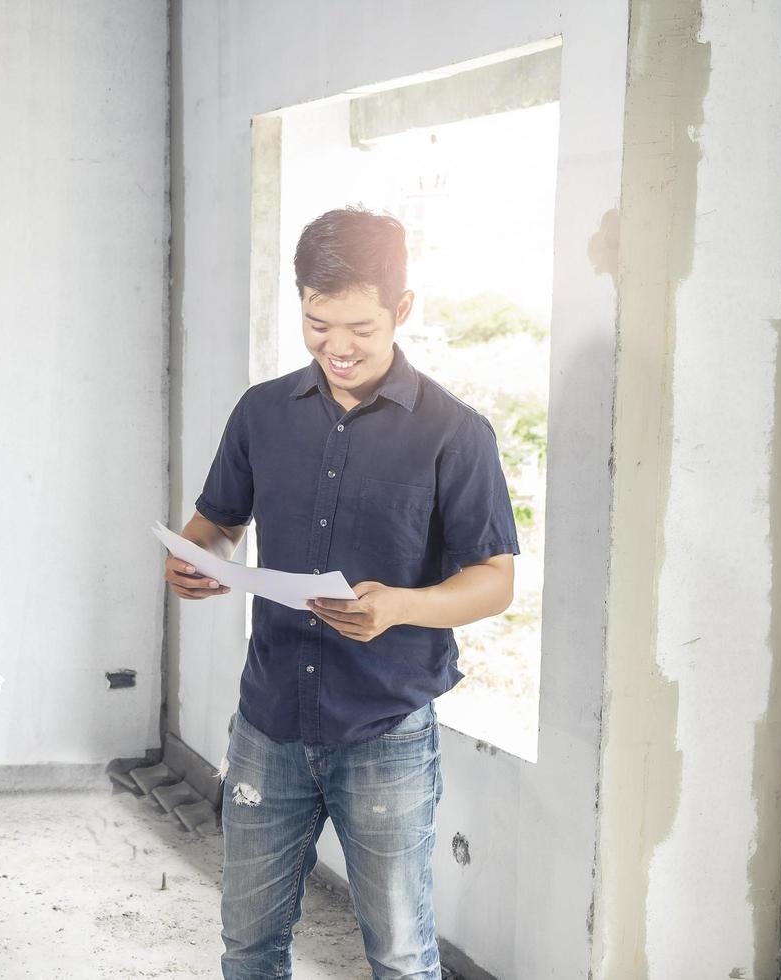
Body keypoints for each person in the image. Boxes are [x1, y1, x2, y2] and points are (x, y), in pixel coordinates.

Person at [165, 208, 518, 980]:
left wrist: (398, 606)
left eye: (358, 326)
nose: (337, 347)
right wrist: (199, 558)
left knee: (398, 953)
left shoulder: (455, 434)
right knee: (249, 944)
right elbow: (215, 523)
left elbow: (495, 580)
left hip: (384, 728)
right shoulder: (262, 412)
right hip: (269, 722)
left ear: (402, 309)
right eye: (317, 324)